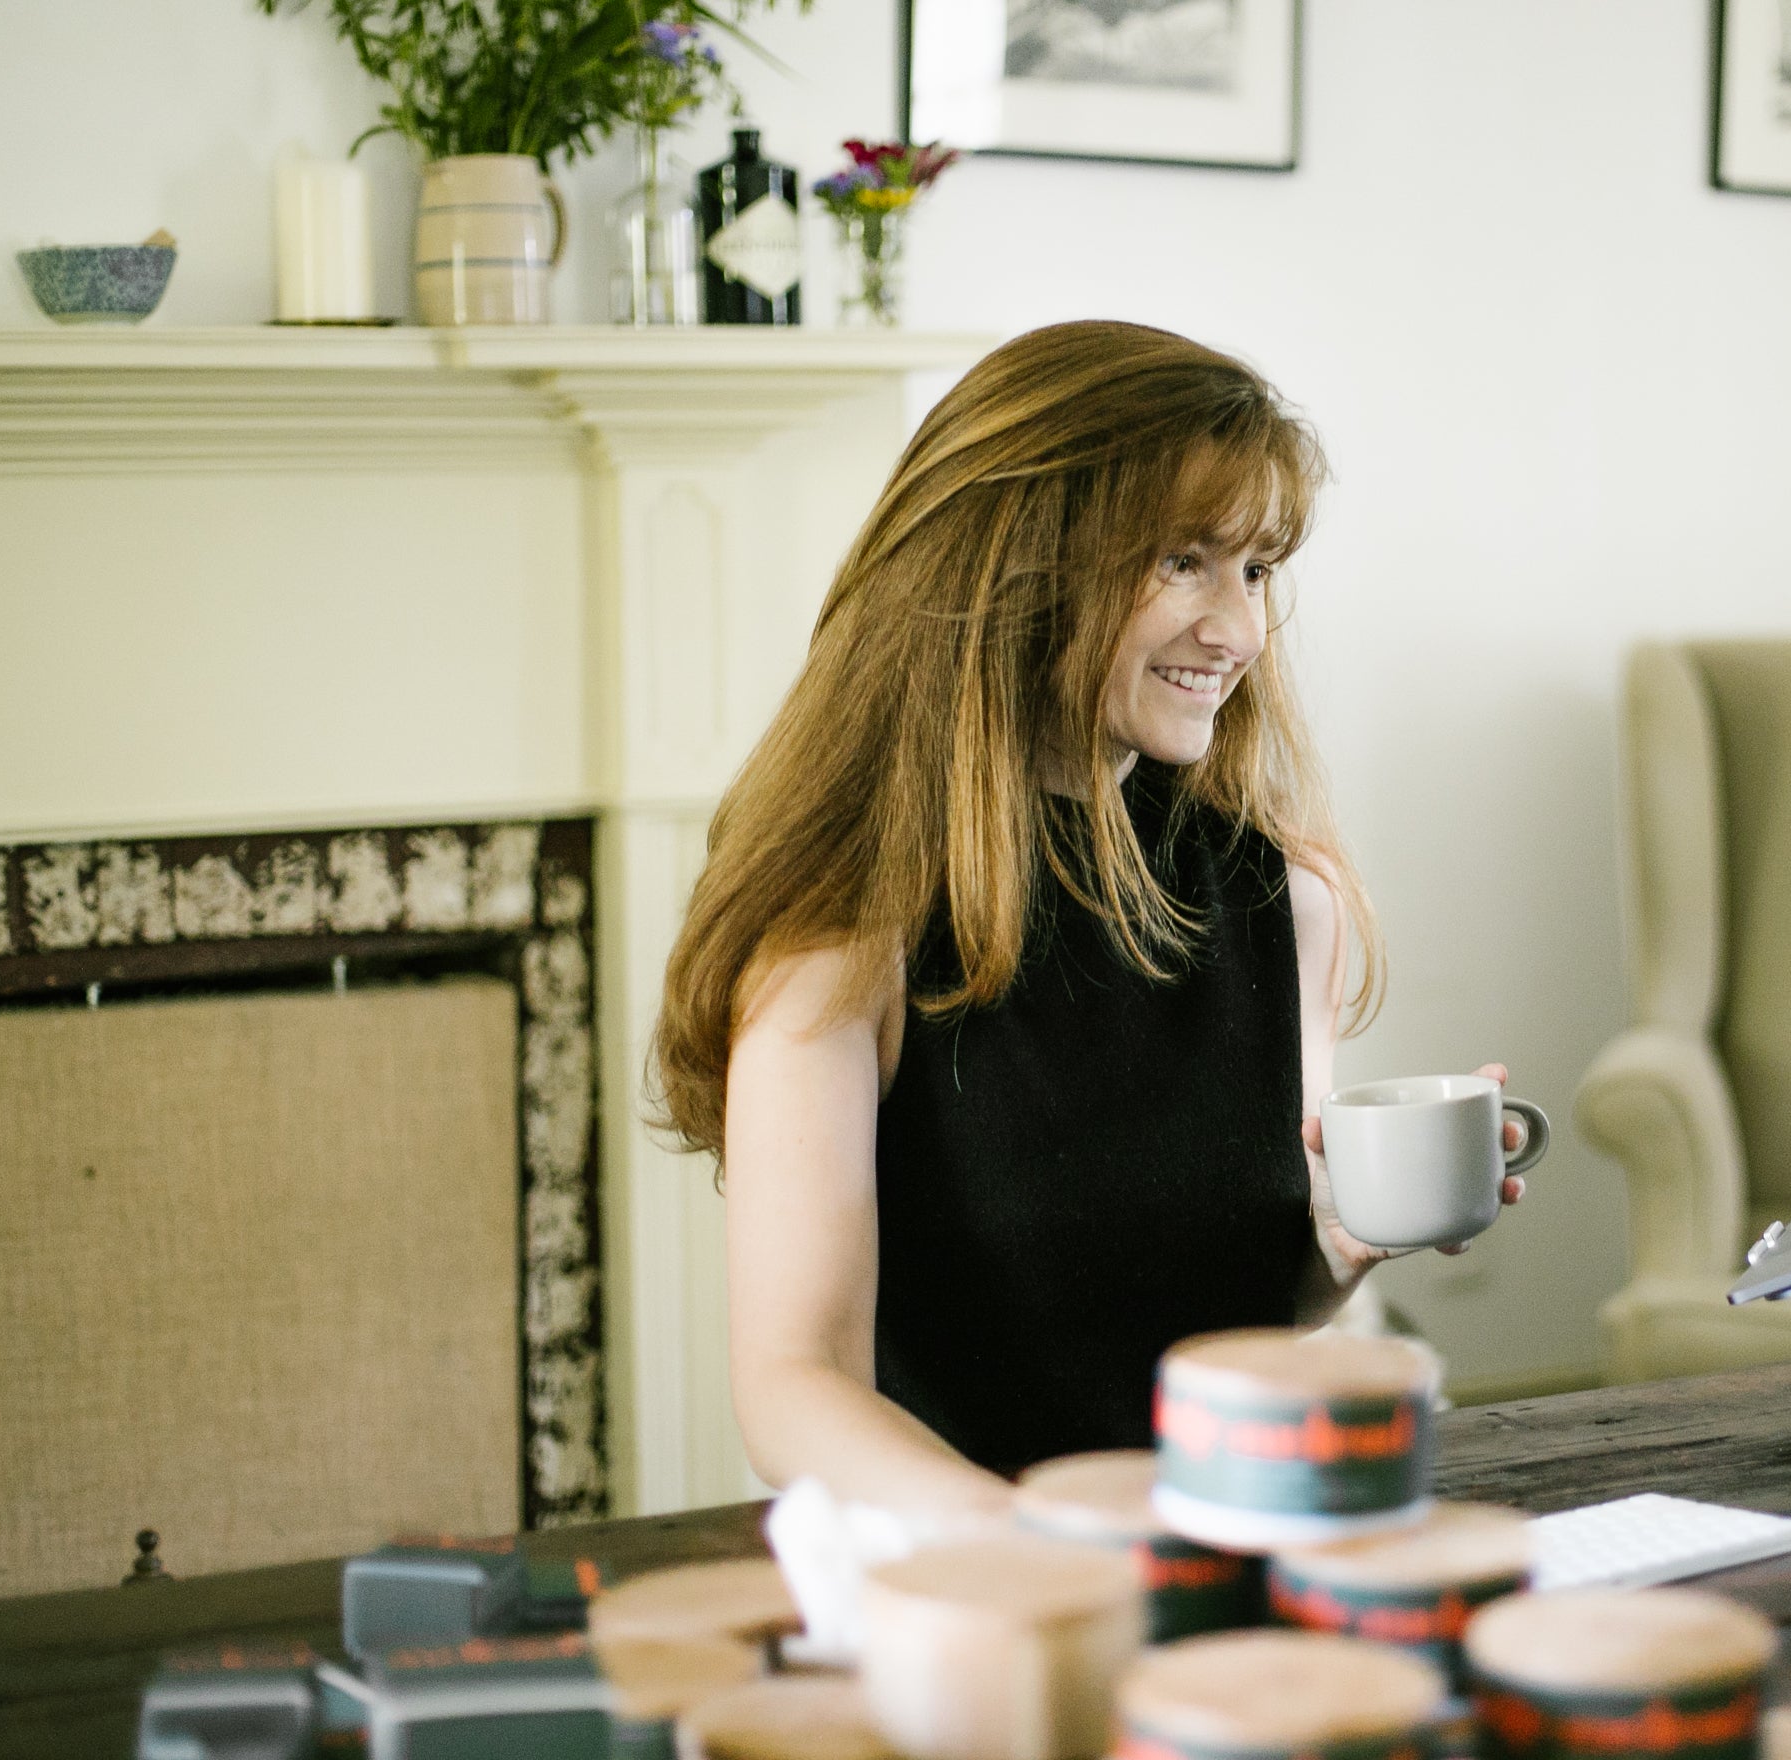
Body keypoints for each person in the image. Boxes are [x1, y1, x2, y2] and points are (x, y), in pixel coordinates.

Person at [651, 320, 1525, 1528]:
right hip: (970, 1591)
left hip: (1215, 1543)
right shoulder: (841, 940)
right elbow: (792, 1391)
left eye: (1257, 570)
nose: (1240, 630)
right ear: (1018, 564)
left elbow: (1231, 1304)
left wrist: (1340, 1242)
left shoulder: (1285, 899)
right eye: (1185, 562)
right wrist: (1049, 1555)